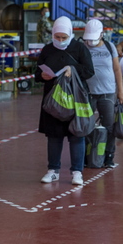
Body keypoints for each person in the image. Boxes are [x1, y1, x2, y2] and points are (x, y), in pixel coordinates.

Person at [38, 17, 95, 186]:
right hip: (53, 101)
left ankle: (77, 172)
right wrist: (42, 75)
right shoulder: (47, 50)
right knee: (54, 136)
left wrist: (73, 69)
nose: (61, 41)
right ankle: (52, 170)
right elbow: (38, 71)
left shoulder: (80, 49)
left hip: (75, 99)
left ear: (70, 34)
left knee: (76, 135)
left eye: (64, 37)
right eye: (57, 37)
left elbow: (89, 71)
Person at [82, 19, 123, 168]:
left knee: (109, 126)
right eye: (88, 39)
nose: (91, 42)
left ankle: (108, 156)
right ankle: (86, 156)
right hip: (88, 93)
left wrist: (121, 91)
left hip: (107, 92)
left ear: (101, 34)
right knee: (85, 125)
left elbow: (117, 70)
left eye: (93, 39)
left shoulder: (109, 46)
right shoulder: (82, 47)